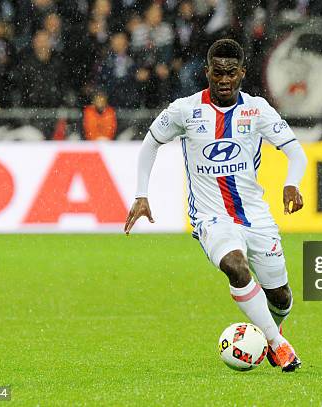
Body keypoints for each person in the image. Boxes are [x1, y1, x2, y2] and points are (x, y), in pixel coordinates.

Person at [124, 39, 307, 372]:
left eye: (231, 73)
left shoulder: (257, 109)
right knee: (235, 267)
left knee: (280, 296)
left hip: (255, 216)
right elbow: (150, 144)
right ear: (207, 72)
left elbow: (296, 152)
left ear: (242, 74)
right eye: (218, 73)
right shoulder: (185, 110)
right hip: (211, 217)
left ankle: (271, 330)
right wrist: (141, 193)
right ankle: (278, 345)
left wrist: (291, 183)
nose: (224, 80)